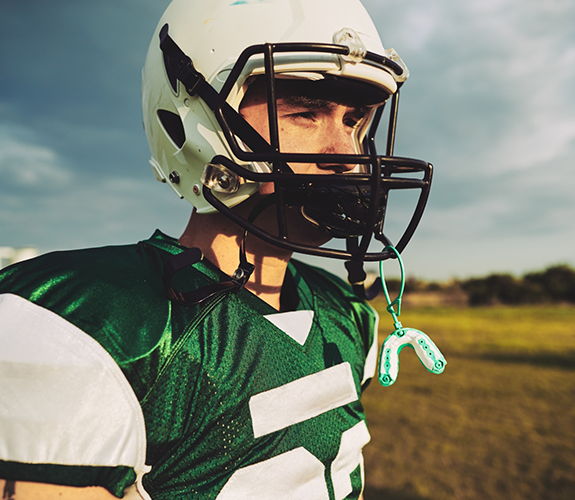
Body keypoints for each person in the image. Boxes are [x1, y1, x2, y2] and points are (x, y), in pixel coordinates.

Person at [0, 0, 433, 498]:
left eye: (355, 121)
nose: (347, 154)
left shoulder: (347, 313)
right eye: (305, 113)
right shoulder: (93, 326)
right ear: (193, 122)